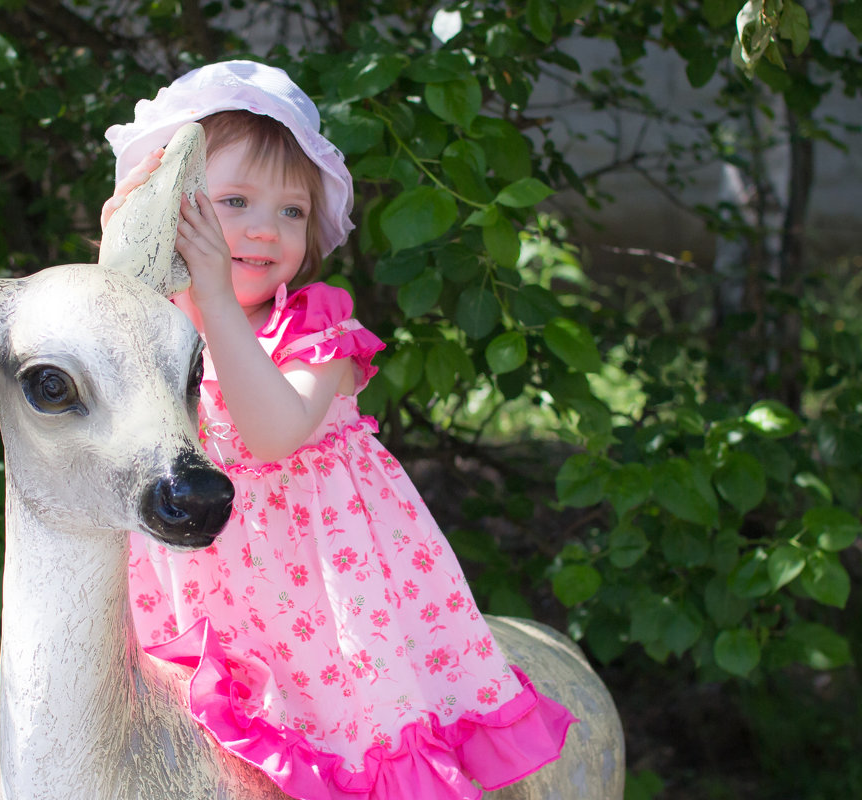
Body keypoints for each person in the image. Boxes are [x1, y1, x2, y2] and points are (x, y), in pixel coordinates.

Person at [103, 60, 575, 800]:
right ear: (175, 210)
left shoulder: (314, 326)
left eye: (292, 211)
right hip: (197, 593)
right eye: (234, 202)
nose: (266, 228)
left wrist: (219, 302)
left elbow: (271, 435)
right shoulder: (155, 330)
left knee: (344, 755)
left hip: (318, 606)